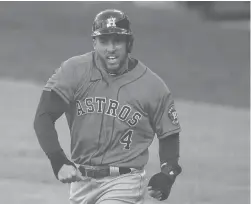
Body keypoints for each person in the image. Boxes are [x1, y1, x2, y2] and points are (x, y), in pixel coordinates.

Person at [33, 9, 182, 204]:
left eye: (117, 41)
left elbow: (169, 133)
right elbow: (43, 116)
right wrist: (58, 160)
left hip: (125, 181)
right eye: (104, 41)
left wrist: (168, 173)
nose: (110, 48)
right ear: (94, 43)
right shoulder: (74, 71)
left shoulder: (153, 86)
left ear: (129, 43)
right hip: (81, 181)